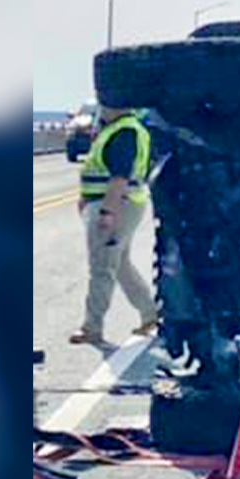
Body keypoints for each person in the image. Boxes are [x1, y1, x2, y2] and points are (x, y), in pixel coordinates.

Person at [69, 104, 159, 344]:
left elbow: (119, 178)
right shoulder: (117, 129)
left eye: (106, 104)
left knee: (102, 266)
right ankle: (151, 314)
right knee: (120, 265)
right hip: (116, 203)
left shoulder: (124, 132)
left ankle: (92, 327)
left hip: (116, 204)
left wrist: (108, 212)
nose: (102, 109)